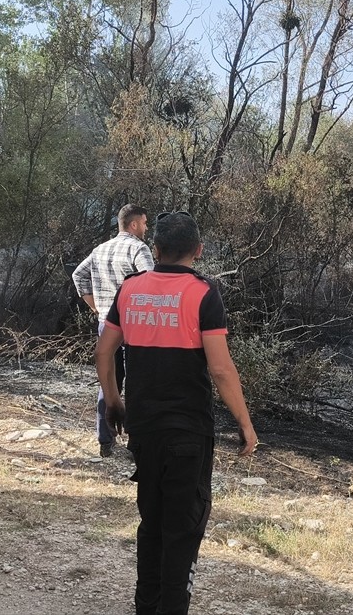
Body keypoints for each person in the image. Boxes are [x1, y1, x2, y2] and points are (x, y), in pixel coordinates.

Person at [96, 211, 257, 615]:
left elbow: (103, 353)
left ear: (156, 250)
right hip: (188, 431)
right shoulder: (204, 293)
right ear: (198, 251)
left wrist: (115, 402)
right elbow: (220, 369)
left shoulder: (131, 289)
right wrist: (245, 423)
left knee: (152, 525)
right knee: (182, 530)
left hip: (144, 428)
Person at [72, 203, 154, 457]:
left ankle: (105, 440)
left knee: (109, 379)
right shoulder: (139, 249)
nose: (147, 227)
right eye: (144, 223)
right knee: (138, 380)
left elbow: (78, 275)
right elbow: (151, 281)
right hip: (134, 324)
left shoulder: (100, 249)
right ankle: (137, 440)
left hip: (106, 323)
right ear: (133, 224)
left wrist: (95, 306)